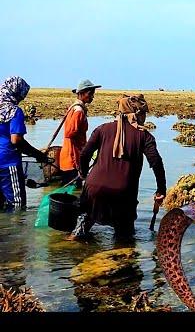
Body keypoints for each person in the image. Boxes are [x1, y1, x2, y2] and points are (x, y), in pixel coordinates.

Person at [67, 94, 166, 241]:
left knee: (82, 227)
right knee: (125, 239)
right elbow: (156, 161)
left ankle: (72, 247)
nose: (145, 117)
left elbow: (84, 154)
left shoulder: (102, 129)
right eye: (144, 113)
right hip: (123, 194)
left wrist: (84, 174)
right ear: (138, 114)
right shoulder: (144, 136)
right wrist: (161, 190)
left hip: (94, 188)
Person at [0, 76, 52, 211]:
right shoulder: (14, 111)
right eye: (22, 94)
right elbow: (16, 140)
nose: (22, 98)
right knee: (17, 206)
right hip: (7, 163)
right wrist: (37, 154)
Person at [59, 79, 101, 186]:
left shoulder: (76, 108)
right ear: (81, 93)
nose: (92, 97)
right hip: (72, 158)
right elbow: (70, 133)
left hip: (70, 157)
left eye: (93, 94)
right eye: (90, 94)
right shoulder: (78, 111)